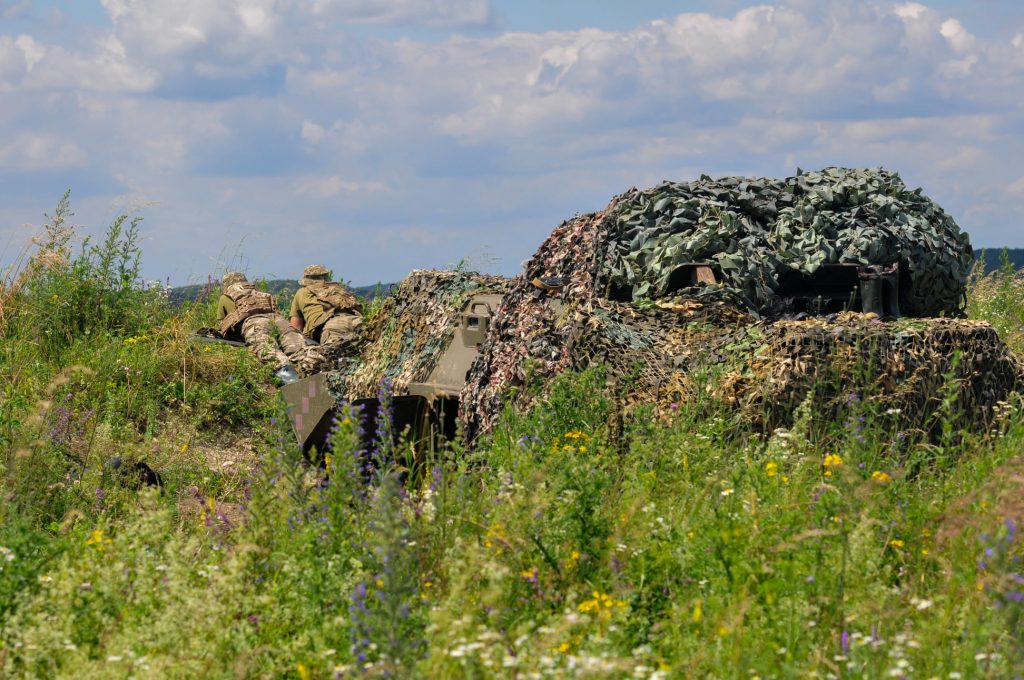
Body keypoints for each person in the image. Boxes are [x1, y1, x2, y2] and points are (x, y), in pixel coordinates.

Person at [216, 272, 324, 382]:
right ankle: (321, 374)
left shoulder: (226, 296)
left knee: (271, 354)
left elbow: (223, 327)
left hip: (256, 322)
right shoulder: (260, 293)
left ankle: (294, 384)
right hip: (280, 321)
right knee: (299, 350)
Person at [289, 265, 364, 348]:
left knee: (333, 356)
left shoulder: (301, 292)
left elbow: (296, 329)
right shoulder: (338, 289)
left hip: (332, 327)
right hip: (356, 320)